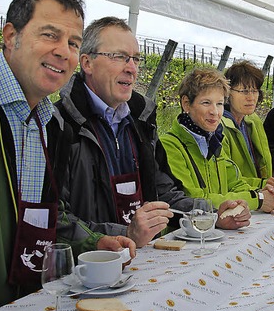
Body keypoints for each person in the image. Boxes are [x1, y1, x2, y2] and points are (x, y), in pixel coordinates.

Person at [0, 0, 137, 311]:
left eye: (72, 43)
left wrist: (93, 242)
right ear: (11, 36)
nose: (63, 52)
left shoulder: (49, 125)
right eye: (49, 35)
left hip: (23, 305)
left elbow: (45, 215)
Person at [55, 17, 249, 247]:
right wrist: (120, 234)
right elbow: (54, 218)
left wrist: (212, 214)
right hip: (91, 270)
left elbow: (163, 193)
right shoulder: (59, 125)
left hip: (145, 257)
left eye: (135, 59)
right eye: (119, 57)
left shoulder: (142, 122)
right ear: (87, 63)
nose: (131, 68)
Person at [161, 68, 274, 214]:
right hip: (184, 234)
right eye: (206, 103)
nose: (215, 112)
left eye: (219, 104)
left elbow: (234, 183)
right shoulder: (170, 145)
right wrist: (257, 199)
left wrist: (264, 188)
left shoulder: (214, 140)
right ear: (186, 104)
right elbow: (195, 200)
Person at [221, 60, 274, 190]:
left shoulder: (252, 120)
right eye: (244, 91)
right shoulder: (219, 126)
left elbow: (263, 162)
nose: (251, 98)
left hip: (258, 191)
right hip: (238, 196)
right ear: (228, 93)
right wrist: (261, 185)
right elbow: (224, 177)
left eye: (255, 91)